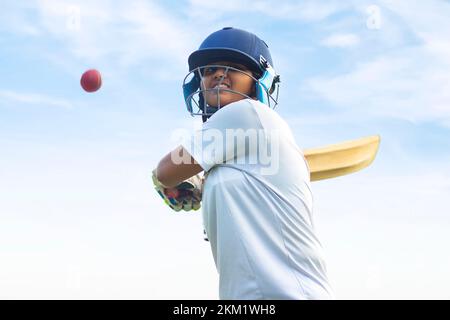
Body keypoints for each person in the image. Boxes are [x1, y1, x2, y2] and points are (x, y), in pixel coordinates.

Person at [152, 27, 334, 299]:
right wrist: (199, 186)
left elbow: (166, 171)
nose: (218, 74)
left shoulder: (248, 113)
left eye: (234, 68)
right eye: (209, 69)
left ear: (258, 82)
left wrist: (164, 180)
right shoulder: (227, 159)